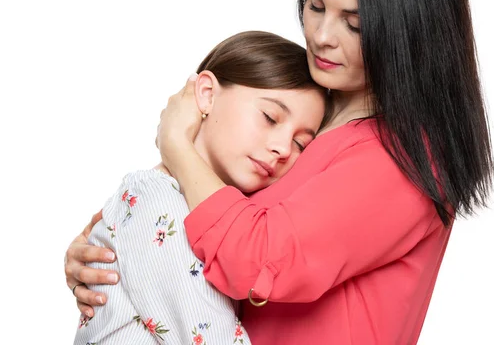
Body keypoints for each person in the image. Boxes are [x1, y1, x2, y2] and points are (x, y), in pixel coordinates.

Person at [65, 0, 494, 343]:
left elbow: (255, 260)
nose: (322, 35)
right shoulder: (312, 112)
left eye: (354, 24)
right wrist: (111, 254)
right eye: (315, 4)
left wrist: (176, 144)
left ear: (411, 32)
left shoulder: (405, 160)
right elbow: (196, 220)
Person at [72, 30, 328, 344]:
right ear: (206, 93)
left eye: (301, 143)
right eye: (270, 117)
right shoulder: (157, 202)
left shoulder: (233, 223)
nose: (283, 149)